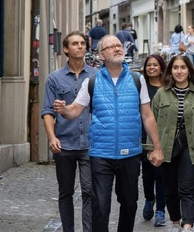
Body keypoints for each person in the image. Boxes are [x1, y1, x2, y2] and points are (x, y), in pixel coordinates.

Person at [54, 35, 164, 232]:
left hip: (130, 154)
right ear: (102, 55)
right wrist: (63, 110)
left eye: (119, 45)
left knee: (130, 204)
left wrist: (157, 147)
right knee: (100, 206)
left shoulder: (137, 80)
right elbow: (75, 110)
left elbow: (147, 116)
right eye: (112, 46)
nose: (117, 49)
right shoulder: (92, 82)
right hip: (100, 155)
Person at [147, 55, 194, 232]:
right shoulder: (161, 94)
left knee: (187, 188)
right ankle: (175, 222)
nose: (179, 71)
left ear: (189, 71)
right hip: (167, 146)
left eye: (183, 68)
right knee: (170, 189)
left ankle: (187, 226)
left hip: (191, 146)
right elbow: (151, 122)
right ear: (170, 70)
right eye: (175, 68)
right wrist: (151, 149)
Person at [41, 31, 97, 232]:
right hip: (64, 143)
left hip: (90, 144)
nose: (80, 46)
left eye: (82, 43)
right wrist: (52, 137)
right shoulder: (54, 79)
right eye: (75, 44)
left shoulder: (96, 76)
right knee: (65, 192)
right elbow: (47, 111)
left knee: (90, 191)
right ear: (66, 49)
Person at [141, 54, 167, 226]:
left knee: (161, 175)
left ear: (161, 67)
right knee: (147, 174)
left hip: (164, 136)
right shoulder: (141, 87)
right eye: (149, 65)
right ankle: (150, 198)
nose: (152, 68)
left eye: (155, 65)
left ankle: (160, 211)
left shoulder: (167, 87)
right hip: (144, 136)